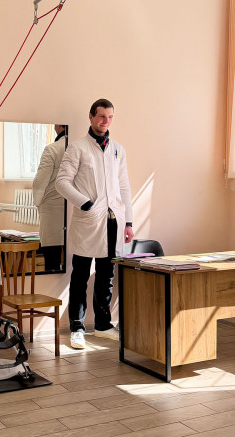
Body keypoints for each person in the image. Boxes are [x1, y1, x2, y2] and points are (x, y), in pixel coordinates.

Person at [55, 99, 133, 349]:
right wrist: (85, 203)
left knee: (106, 276)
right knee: (80, 276)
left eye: (109, 117)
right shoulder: (77, 148)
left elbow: (124, 187)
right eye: (101, 116)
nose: (105, 121)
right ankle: (77, 328)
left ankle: (103, 325)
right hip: (89, 220)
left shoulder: (118, 150)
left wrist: (129, 221)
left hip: (113, 221)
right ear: (91, 117)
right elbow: (61, 182)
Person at [32, 124, 68, 271]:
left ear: (59, 125)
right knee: (72, 263)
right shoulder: (80, 148)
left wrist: (38, 203)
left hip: (52, 209)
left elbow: (40, 182)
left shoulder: (52, 149)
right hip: (75, 209)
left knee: (52, 262)